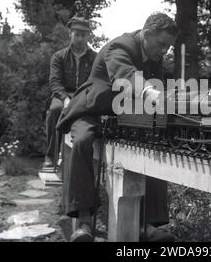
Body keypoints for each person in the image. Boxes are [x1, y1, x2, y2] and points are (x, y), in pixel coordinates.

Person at [56, 12, 177, 242]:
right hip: (92, 110)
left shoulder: (155, 55)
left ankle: (148, 225)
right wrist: (152, 93)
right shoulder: (120, 46)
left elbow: (158, 87)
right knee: (82, 141)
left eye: (168, 47)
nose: (164, 51)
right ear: (147, 34)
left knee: (156, 141)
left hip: (124, 116)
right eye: (162, 44)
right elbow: (127, 76)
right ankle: (83, 222)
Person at [43, 16, 96, 168]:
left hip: (84, 95)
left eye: (83, 35)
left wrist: (85, 97)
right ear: (70, 34)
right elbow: (54, 82)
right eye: (77, 34)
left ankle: (87, 159)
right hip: (63, 94)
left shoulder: (94, 57)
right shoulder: (58, 57)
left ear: (88, 36)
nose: (80, 38)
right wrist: (65, 98)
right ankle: (51, 156)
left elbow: (95, 81)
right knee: (55, 110)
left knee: (91, 114)